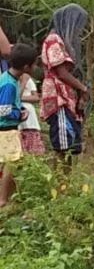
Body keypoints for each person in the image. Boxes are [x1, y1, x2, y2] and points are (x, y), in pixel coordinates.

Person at [40, 4, 90, 163]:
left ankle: (65, 186)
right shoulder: (53, 39)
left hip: (67, 98)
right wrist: (83, 88)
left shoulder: (62, 41)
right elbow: (61, 72)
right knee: (63, 147)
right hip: (58, 98)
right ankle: (60, 186)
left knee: (70, 146)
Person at [0, 45, 36, 207]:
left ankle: (9, 199)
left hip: (10, 127)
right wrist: (18, 115)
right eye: (33, 65)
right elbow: (3, 110)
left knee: (15, 163)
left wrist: (20, 109)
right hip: (7, 129)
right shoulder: (8, 84)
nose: (35, 67)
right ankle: (3, 200)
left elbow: (11, 104)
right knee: (12, 163)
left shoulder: (10, 79)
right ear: (26, 67)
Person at [18, 63, 44, 157]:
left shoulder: (28, 79)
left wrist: (19, 98)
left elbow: (36, 97)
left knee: (33, 153)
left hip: (30, 120)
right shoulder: (9, 79)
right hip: (17, 119)